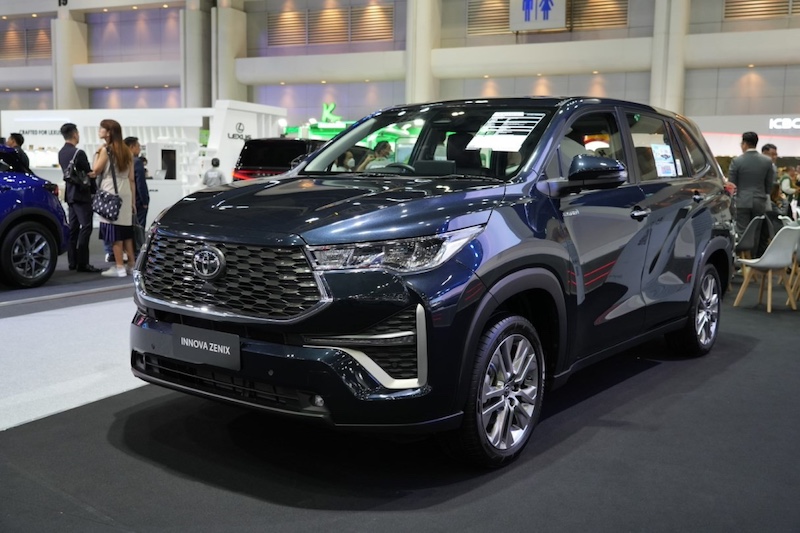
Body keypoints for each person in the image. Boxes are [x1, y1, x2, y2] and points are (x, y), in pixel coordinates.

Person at [92, 119, 136, 278]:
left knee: (114, 232)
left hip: (110, 192)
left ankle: (119, 267)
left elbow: (95, 170)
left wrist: (97, 152)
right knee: (126, 232)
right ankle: (131, 264)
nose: (99, 131)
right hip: (125, 192)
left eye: (101, 128)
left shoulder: (106, 150)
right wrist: (133, 201)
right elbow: (132, 178)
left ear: (109, 132)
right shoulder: (127, 151)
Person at [58, 123, 102, 273]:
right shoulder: (79, 153)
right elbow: (89, 173)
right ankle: (83, 263)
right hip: (82, 194)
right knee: (86, 227)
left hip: (70, 195)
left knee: (73, 229)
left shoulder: (61, 152)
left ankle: (72, 262)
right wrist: (94, 189)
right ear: (75, 134)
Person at [728, 131, 775, 254]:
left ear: (744, 144)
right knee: (756, 231)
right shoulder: (767, 161)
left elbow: (732, 185)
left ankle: (742, 259)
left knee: (742, 231)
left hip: (742, 200)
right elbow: (769, 184)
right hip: (760, 200)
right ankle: (753, 258)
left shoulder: (737, 161)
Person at [124, 136, 149, 227]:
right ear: (132, 147)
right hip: (138, 200)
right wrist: (144, 201)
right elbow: (140, 183)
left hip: (125, 198)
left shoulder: (121, 161)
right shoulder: (137, 162)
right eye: (138, 146)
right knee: (139, 227)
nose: (139, 149)